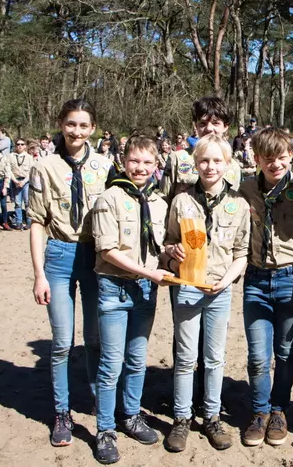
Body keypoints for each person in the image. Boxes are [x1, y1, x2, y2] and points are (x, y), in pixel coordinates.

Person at [28, 98, 114, 447]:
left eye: (83, 125)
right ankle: (62, 413)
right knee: (62, 341)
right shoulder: (43, 167)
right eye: (70, 124)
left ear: (92, 128)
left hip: (95, 257)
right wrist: (39, 274)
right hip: (59, 256)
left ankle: (97, 398)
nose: (76, 131)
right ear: (61, 124)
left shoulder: (106, 165)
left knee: (95, 339)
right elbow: (36, 222)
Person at [162, 135, 250, 453]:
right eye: (204, 160)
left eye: (217, 161)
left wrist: (226, 280)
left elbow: (241, 252)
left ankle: (211, 416)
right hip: (187, 288)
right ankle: (182, 418)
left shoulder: (238, 204)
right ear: (195, 163)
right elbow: (169, 242)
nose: (210, 166)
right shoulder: (181, 201)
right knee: (186, 359)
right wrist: (172, 251)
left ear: (227, 164)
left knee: (214, 359)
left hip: (219, 289)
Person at [90, 135, 171, 464]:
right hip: (114, 288)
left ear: (156, 166)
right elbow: (106, 250)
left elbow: (158, 246)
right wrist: (147, 272)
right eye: (134, 161)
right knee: (111, 364)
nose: (140, 168)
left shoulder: (160, 202)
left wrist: (171, 257)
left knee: (137, 360)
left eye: (147, 162)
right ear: (124, 162)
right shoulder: (109, 198)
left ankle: (130, 416)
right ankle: (105, 429)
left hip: (145, 292)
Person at [239, 127, 293, 448]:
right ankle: (259, 412)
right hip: (255, 280)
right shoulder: (245, 189)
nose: (275, 164)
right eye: (267, 159)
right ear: (257, 159)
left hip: (291, 280)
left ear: (290, 156)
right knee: (256, 355)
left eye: (281, 157)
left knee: (284, 352)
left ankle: (279, 409)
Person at [160, 97, 242, 201]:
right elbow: (164, 199)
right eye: (203, 123)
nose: (208, 128)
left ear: (225, 126)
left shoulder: (233, 166)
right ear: (196, 126)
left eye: (215, 123)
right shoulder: (177, 159)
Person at [8, 138, 34, 229]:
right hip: (15, 181)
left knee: (27, 202)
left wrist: (23, 182)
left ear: (25, 146)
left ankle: (29, 221)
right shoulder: (10, 156)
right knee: (17, 202)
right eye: (18, 144)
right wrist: (15, 181)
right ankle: (19, 222)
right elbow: (9, 170)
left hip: (25, 181)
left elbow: (31, 171)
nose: (20, 146)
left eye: (22, 144)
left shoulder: (29, 157)